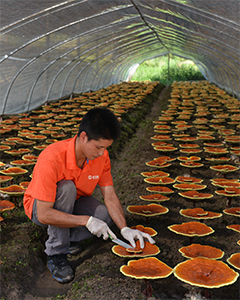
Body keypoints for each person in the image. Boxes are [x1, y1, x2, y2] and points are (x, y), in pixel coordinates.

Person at [23, 107, 155, 284]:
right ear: (83, 137)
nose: (102, 153)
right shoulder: (52, 158)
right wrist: (86, 221)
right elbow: (45, 213)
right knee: (67, 188)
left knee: (103, 215)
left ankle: (67, 238)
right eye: (99, 147)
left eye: (106, 148)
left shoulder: (101, 157)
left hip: (74, 202)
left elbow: (109, 195)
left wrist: (124, 228)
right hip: (41, 207)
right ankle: (56, 254)